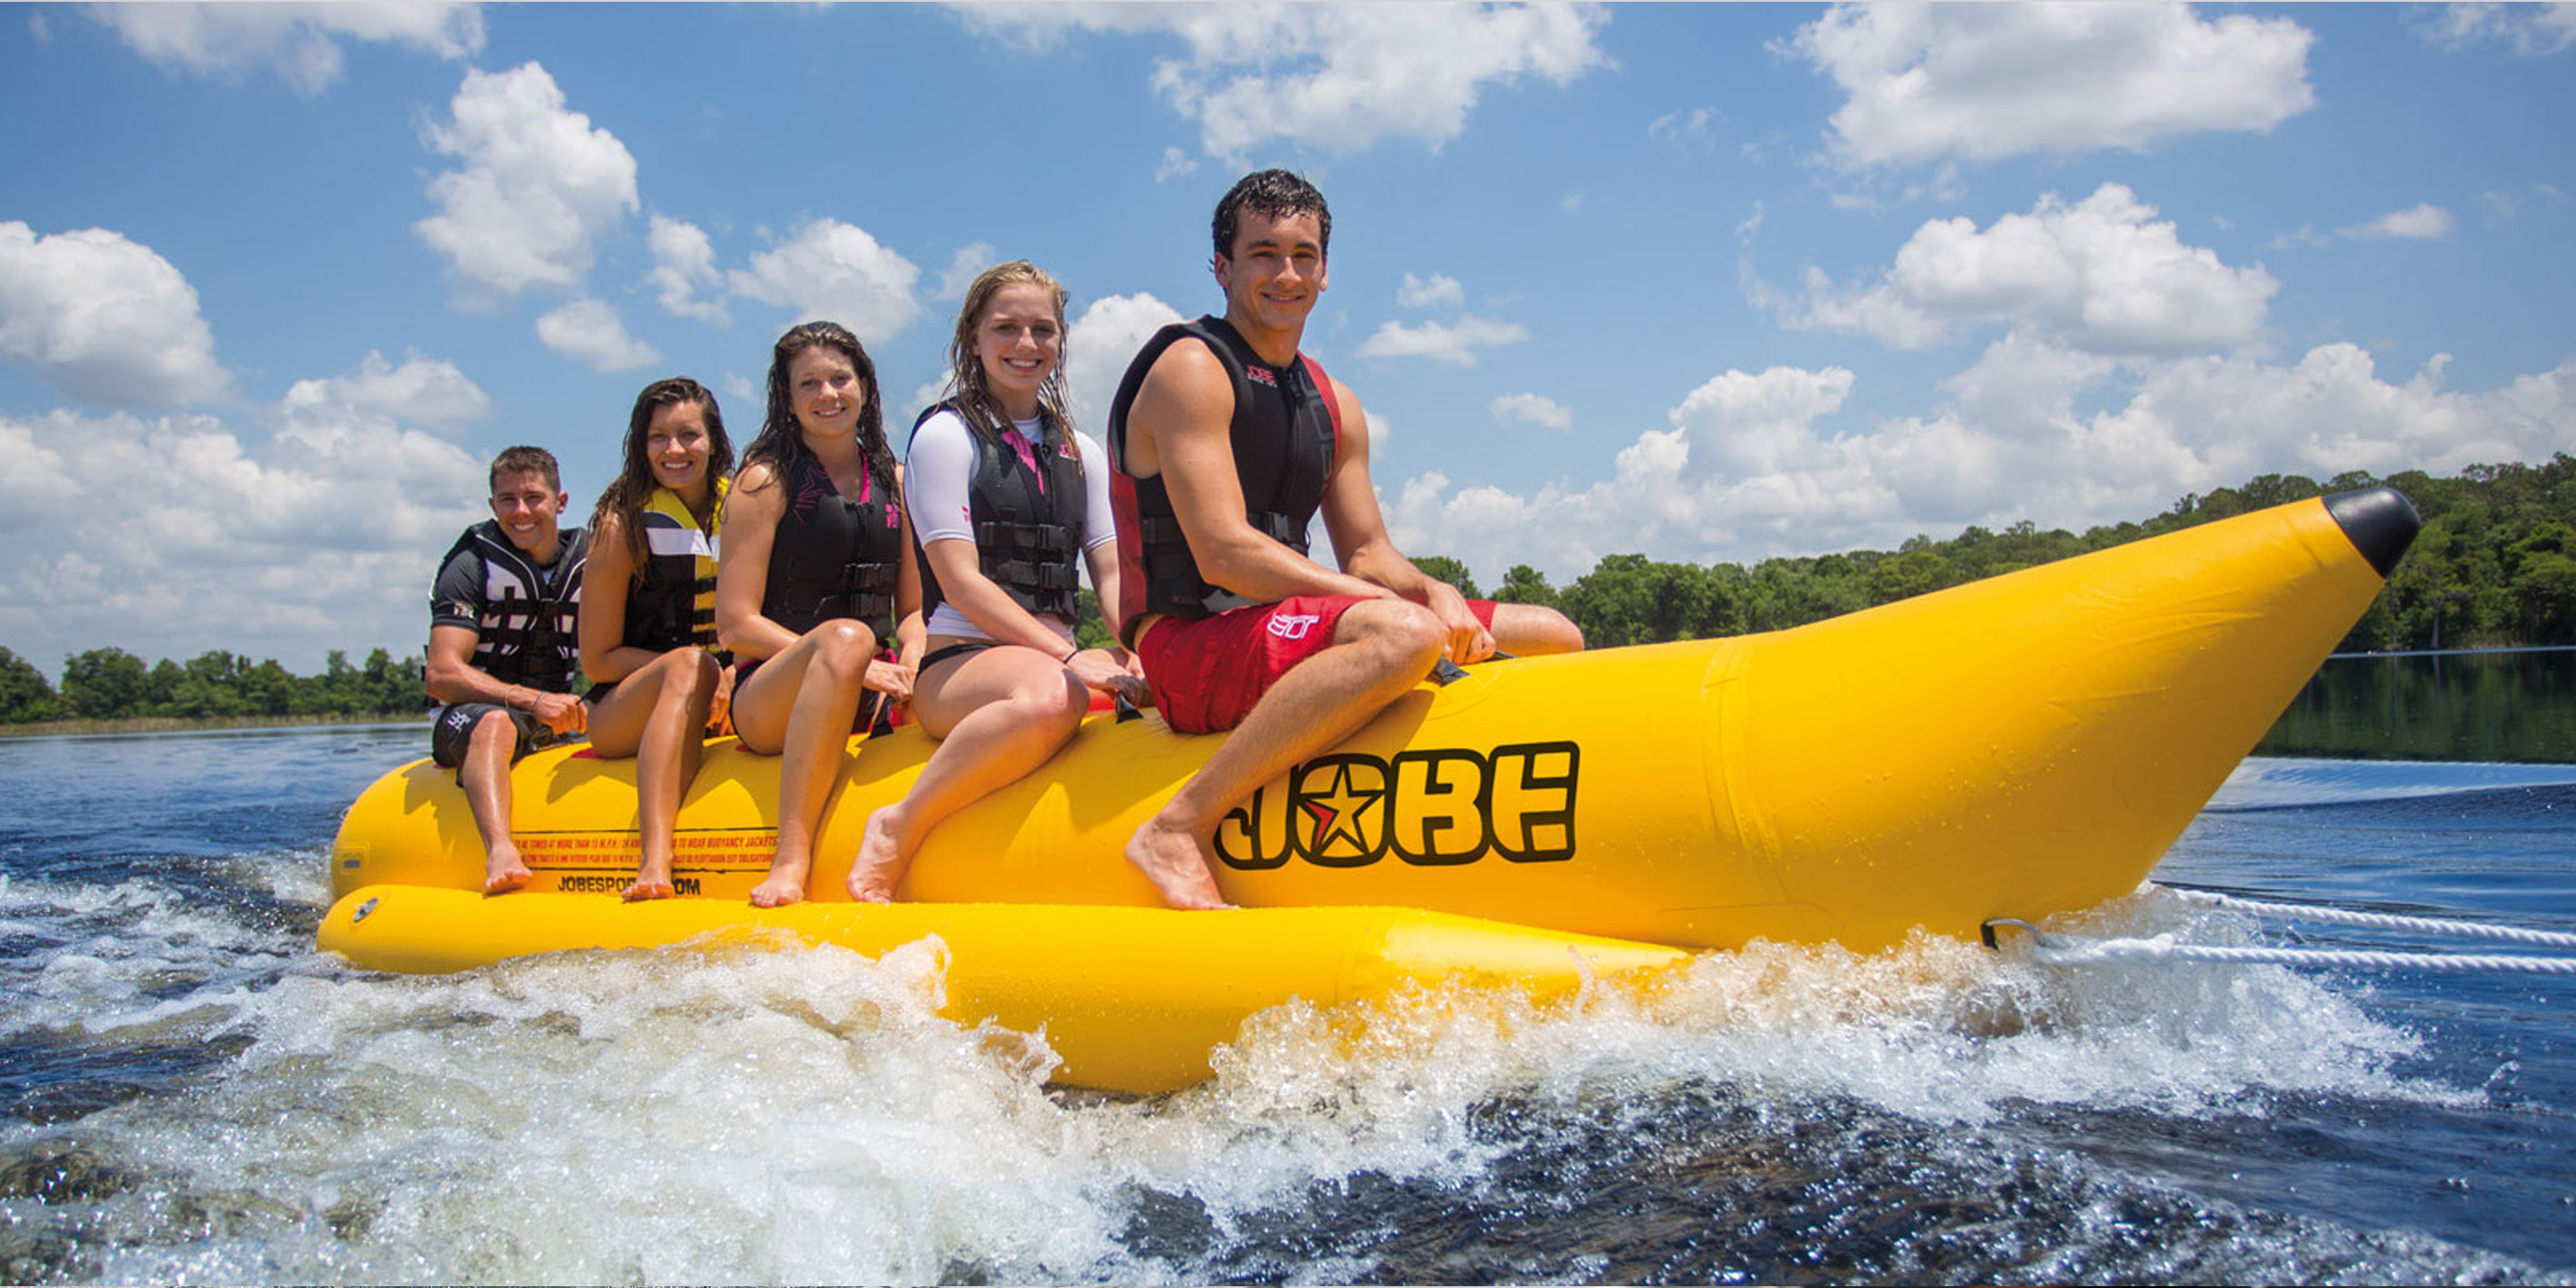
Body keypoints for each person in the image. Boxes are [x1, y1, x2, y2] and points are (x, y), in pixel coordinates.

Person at [1106, 169, 1585, 909]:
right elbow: (1223, 552)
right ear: (1223, 267)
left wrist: (1433, 590)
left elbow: (1367, 552)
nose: (1286, 273)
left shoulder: (1335, 402)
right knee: (1400, 636)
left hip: (1281, 627)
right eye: (1263, 253)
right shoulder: (1191, 368)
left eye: (1304, 254)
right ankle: (1177, 823)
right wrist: (1392, 608)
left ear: (1326, 272)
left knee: (1554, 634)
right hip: (1189, 645)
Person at [845, 262, 1151, 902]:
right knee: (1053, 697)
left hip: (1055, 657)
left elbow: (1114, 572)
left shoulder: (1081, 450)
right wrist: (1070, 658)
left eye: (1043, 329)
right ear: (973, 338)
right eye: (1006, 327)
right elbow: (958, 583)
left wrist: (1149, 646)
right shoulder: (945, 435)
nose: (1026, 344)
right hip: (961, 663)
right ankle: (897, 825)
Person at [716, 321, 923, 908]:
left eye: (840, 378)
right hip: (769, 696)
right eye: (809, 383)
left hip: (873, 681)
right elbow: (735, 625)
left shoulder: (898, 483)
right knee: (845, 638)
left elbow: (911, 609)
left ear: (865, 387)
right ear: (787, 397)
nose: (828, 394)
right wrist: (851, 659)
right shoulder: (763, 483)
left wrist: (915, 651)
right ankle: (791, 857)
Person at [578, 377, 735, 902]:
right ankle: (655, 861)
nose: (674, 450)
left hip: (726, 694)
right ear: (639, 446)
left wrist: (731, 671)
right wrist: (696, 668)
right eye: (658, 438)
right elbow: (598, 660)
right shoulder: (622, 525)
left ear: (713, 440)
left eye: (689, 435)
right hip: (622, 710)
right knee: (690, 665)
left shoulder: (742, 509)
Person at [426, 445, 590, 895]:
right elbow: (441, 674)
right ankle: (500, 849)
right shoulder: (470, 565)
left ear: (560, 503)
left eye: (533, 498)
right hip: (470, 716)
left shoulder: (592, 561)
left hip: (557, 717)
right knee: (497, 723)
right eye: (507, 500)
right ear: (493, 505)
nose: (520, 511)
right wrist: (531, 701)